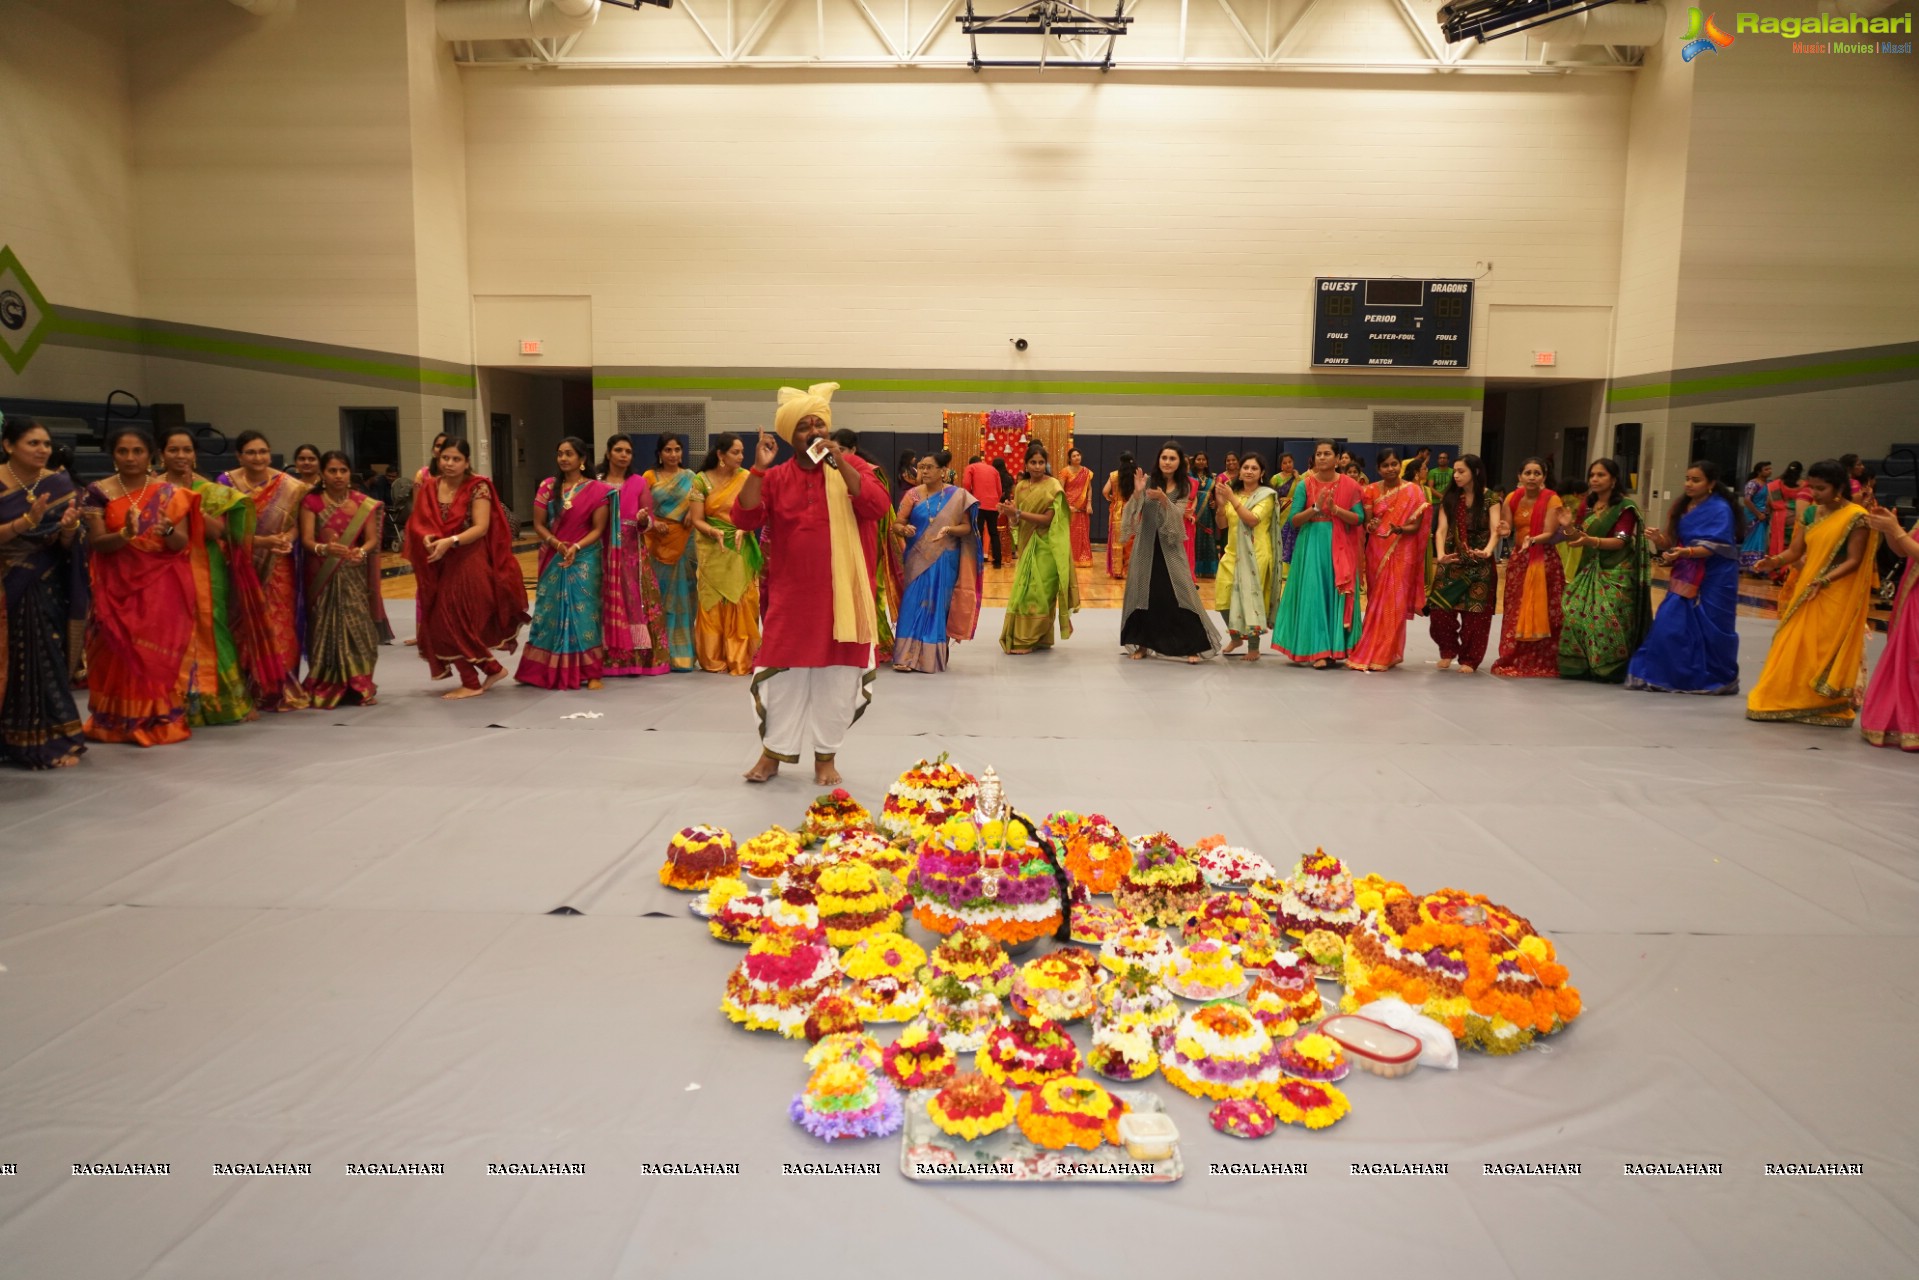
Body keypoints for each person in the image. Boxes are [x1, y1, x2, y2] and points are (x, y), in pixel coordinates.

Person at [734, 383, 888, 786]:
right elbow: (744, 518)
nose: (814, 431)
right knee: (781, 676)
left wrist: (843, 465)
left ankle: (825, 757)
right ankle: (772, 755)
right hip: (792, 595)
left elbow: (877, 505)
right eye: (804, 426)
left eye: (819, 424)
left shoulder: (854, 468)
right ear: (790, 436)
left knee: (837, 678)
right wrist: (758, 467)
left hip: (845, 597)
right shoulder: (775, 476)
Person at [81, 428, 196, 747]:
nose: (130, 458)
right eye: (122, 451)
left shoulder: (169, 492)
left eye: (137, 451)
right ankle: (114, 721)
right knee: (116, 651)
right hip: (114, 588)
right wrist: (126, 534)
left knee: (153, 652)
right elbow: (98, 544)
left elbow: (180, 544)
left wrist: (168, 528)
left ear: (151, 455)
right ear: (113, 454)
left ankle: (155, 718)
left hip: (159, 589)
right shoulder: (98, 492)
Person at [1746, 460, 1878, 727]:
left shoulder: (1856, 517)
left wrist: (1824, 580)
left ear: (1839, 487)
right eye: (1812, 487)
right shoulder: (1810, 515)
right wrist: (1774, 561)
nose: (1815, 494)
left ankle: (1822, 703)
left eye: (1822, 488)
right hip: (1808, 587)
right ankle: (1789, 697)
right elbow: (1795, 552)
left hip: (1835, 591)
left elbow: (1854, 560)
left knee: (1820, 647)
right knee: (1792, 641)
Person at [157, 426, 265, 726]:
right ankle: (174, 703)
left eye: (187, 450)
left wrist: (188, 507)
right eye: (173, 450)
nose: (181, 456)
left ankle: (226, 702)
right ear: (161, 454)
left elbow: (219, 531)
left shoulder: (208, 489)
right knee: (170, 630)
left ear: (195, 454)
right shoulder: (152, 488)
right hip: (163, 566)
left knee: (212, 625)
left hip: (205, 564)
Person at [405, 438, 529, 699]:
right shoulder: (430, 487)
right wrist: (427, 538)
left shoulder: (477, 487)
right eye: (445, 458)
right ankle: (490, 669)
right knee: (440, 622)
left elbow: (481, 527)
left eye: (456, 459)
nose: (449, 463)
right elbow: (420, 522)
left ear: (467, 462)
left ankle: (472, 682)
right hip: (439, 561)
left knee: (453, 621)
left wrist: (450, 541)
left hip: (468, 560)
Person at [0, 415, 88, 767]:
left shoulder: (59, 483)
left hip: (42, 585)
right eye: (33, 443)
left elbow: (65, 545)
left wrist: (68, 529)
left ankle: (48, 738)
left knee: (42, 659)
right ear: (8, 446)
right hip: (5, 586)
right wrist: (26, 523)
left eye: (46, 444)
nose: (42, 450)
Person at [1626, 461, 1743, 696]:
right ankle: (1667, 675)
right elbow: (1672, 542)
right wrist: (1659, 540)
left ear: (1711, 484)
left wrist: (1685, 552)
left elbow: (1716, 546)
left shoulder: (1720, 509)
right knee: (1670, 622)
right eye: (1687, 478)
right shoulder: (1682, 507)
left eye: (1695, 480)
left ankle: (1716, 678)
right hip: (1686, 572)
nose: (1688, 484)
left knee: (1713, 626)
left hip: (1716, 576)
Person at [218, 431, 312, 710]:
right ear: (239, 456)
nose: (257, 458)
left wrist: (287, 540)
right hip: (240, 562)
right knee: (242, 622)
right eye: (250, 452)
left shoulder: (291, 486)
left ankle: (277, 686)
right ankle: (243, 686)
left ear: (270, 453)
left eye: (262, 452)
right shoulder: (226, 483)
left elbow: (296, 524)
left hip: (277, 565)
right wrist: (259, 542)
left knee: (278, 623)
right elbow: (220, 526)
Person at [517, 436, 613, 690]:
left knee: (585, 613)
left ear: (582, 460)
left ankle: (591, 672)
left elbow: (598, 528)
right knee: (549, 612)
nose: (563, 458)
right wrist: (557, 544)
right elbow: (538, 524)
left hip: (584, 557)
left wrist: (576, 547)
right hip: (553, 555)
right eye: (560, 453)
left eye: (569, 454)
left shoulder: (597, 490)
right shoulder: (548, 486)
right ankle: (541, 669)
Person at [299, 451, 386, 706]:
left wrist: (360, 551)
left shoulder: (362, 503)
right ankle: (327, 684)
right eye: (332, 471)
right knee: (323, 629)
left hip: (352, 574)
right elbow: (306, 540)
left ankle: (360, 685)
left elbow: (371, 539)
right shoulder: (312, 502)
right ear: (323, 474)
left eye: (343, 470)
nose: (338, 476)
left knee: (361, 629)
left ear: (350, 473)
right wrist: (324, 549)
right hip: (321, 575)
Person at [1120, 442, 1219, 664]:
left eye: (1172, 458)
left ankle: (1192, 645)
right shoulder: (1148, 481)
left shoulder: (1184, 487)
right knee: (1145, 595)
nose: (1167, 462)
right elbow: (1132, 513)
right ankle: (1143, 643)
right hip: (1146, 547)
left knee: (1180, 594)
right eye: (1164, 457)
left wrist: (1165, 500)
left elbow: (1179, 519)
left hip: (1170, 549)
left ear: (1179, 462)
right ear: (1158, 460)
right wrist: (1137, 494)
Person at [1272, 441, 1365, 669]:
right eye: (1319, 454)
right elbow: (1294, 521)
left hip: (1340, 545)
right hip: (1311, 544)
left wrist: (1336, 510)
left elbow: (1359, 518)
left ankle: (1337, 648)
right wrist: (1315, 508)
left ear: (1337, 458)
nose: (1322, 458)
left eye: (1327, 454)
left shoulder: (1351, 485)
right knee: (1314, 595)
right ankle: (1318, 650)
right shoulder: (1305, 485)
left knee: (1336, 593)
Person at [1557, 458, 1650, 684]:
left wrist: (1591, 541)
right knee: (1574, 609)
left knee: (1607, 619)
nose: (1595, 480)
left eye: (1601, 475)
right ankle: (1581, 665)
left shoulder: (1624, 507)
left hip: (1617, 570)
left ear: (1614, 479)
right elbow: (1577, 539)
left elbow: (1621, 541)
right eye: (1592, 475)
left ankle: (1610, 668)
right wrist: (1568, 527)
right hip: (1590, 568)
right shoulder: (1587, 506)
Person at [892, 453, 982, 671]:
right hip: (917, 557)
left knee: (938, 606)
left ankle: (931, 657)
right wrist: (904, 529)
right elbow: (897, 523)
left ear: (942, 471)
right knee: (912, 604)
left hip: (945, 558)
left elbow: (967, 527)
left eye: (929, 467)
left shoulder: (957, 495)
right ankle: (905, 657)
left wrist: (950, 529)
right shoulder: (912, 495)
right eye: (921, 467)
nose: (923, 471)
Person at [1348, 449, 1431, 672]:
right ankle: (1376, 648)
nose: (1391, 468)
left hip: (1402, 550)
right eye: (1385, 465)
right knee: (1377, 601)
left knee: (1394, 602)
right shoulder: (1370, 490)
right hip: (1376, 550)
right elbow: (1367, 522)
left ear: (1399, 466)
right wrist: (1371, 525)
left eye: (1394, 464)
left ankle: (1387, 652)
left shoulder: (1413, 491)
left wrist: (1400, 529)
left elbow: (1417, 525)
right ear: (1378, 469)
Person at [595, 434, 670, 677]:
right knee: (601, 598)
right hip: (600, 549)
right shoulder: (595, 482)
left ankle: (636, 659)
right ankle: (603, 658)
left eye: (628, 451)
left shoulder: (638, 482)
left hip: (631, 553)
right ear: (608, 453)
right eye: (618, 450)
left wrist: (643, 520)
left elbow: (649, 519)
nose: (624, 455)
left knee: (635, 599)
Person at [688, 432, 763, 675]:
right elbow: (697, 519)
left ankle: (740, 657)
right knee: (711, 600)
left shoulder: (747, 478)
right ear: (720, 455)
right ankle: (713, 658)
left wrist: (744, 528)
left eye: (742, 452)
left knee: (741, 599)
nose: (741, 456)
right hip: (711, 548)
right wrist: (713, 532)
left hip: (740, 547)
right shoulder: (700, 481)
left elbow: (757, 512)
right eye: (735, 452)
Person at [1491, 458, 1567, 678]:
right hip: (1519, 562)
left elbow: (1550, 532)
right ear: (1519, 476)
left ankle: (1543, 660)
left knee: (1546, 610)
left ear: (1543, 477)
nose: (1532, 477)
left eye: (1537, 473)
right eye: (1527, 473)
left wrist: (1532, 540)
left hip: (1544, 561)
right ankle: (1513, 657)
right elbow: (1507, 528)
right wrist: (1504, 530)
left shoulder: (1552, 499)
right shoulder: (1512, 498)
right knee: (1516, 609)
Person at [1427, 453, 1503, 674]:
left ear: (1476, 472)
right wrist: (1440, 554)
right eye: (1455, 471)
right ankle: (1448, 649)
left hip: (1480, 564)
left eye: (1461, 471)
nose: (1456, 475)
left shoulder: (1490, 499)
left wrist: (1488, 551)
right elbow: (1441, 530)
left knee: (1476, 616)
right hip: (1453, 560)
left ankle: (1470, 659)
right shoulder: (1450, 498)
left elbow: (1495, 529)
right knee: (1439, 610)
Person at [1001, 445, 1078, 656]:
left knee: (1041, 593)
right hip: (1027, 545)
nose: (1037, 466)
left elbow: (1047, 520)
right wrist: (1010, 514)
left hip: (1048, 548)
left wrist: (1018, 512)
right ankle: (1037, 639)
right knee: (1025, 593)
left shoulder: (1053, 486)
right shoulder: (1021, 486)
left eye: (1041, 462)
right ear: (1025, 464)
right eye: (1033, 462)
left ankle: (1029, 639)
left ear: (1046, 464)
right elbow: (1016, 521)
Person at [1860, 503, 1919, 750]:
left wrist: (1897, 530)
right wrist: (1888, 529)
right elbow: (1904, 552)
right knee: (1906, 659)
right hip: (1912, 593)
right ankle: (1902, 723)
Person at [1212, 453, 1281, 661]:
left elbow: (1252, 520)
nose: (1249, 471)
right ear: (1239, 472)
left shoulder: (1266, 495)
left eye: (1254, 468)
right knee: (1222, 598)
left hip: (1255, 554)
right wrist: (1221, 504)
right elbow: (1222, 525)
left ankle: (1253, 647)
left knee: (1250, 600)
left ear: (1262, 473)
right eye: (1246, 467)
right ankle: (1236, 636)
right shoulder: (1235, 493)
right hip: (1231, 552)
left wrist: (1231, 498)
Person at [645, 434, 698, 672]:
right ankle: (658, 651)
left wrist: (693, 514)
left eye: (677, 449)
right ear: (659, 453)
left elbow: (700, 505)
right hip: (657, 541)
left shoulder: (691, 478)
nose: (673, 454)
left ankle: (682, 655)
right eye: (668, 450)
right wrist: (653, 522)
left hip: (685, 541)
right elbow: (642, 507)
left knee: (684, 597)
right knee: (659, 596)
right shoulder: (649, 477)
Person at [962, 452, 1004, 570]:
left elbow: (966, 484)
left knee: (978, 532)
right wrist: (995, 500)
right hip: (993, 505)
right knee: (993, 532)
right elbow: (999, 489)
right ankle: (997, 561)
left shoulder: (970, 467)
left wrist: (969, 497)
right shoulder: (993, 469)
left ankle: (977, 560)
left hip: (978, 504)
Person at [1103, 452, 1138, 580]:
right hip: (1133, 510)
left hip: (1118, 511)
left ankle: (1118, 571)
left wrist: (1112, 499)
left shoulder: (1114, 475)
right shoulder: (1137, 475)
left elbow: (1105, 491)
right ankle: (1130, 571)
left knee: (1117, 541)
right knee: (1131, 541)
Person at [1060, 447, 1095, 568]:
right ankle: (1069, 558)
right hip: (1069, 508)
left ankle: (1082, 559)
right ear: (1069, 458)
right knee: (1070, 533)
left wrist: (1089, 503)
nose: (1077, 457)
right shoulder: (1065, 471)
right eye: (1074, 456)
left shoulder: (1086, 472)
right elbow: (1060, 490)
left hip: (1083, 508)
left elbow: (1089, 488)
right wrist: (1067, 506)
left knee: (1083, 533)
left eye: (1078, 455)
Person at [1739, 462, 1776, 573]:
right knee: (1752, 540)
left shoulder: (1770, 484)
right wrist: (1758, 514)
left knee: (1760, 541)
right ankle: (1747, 567)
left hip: (1764, 517)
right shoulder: (1753, 483)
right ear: (1759, 472)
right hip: (1753, 516)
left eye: (1770, 469)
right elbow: (1747, 500)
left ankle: (1758, 567)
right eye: (1766, 469)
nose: (1769, 471)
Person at [1192, 453, 1219, 579]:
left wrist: (1214, 503)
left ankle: (1208, 569)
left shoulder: (1212, 477)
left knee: (1207, 537)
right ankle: (1194, 569)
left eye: (1203, 459)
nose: (1201, 461)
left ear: (1207, 462)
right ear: (1194, 461)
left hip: (1208, 512)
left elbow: (1215, 495)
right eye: (1198, 459)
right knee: (1194, 537)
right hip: (1192, 509)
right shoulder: (1189, 476)